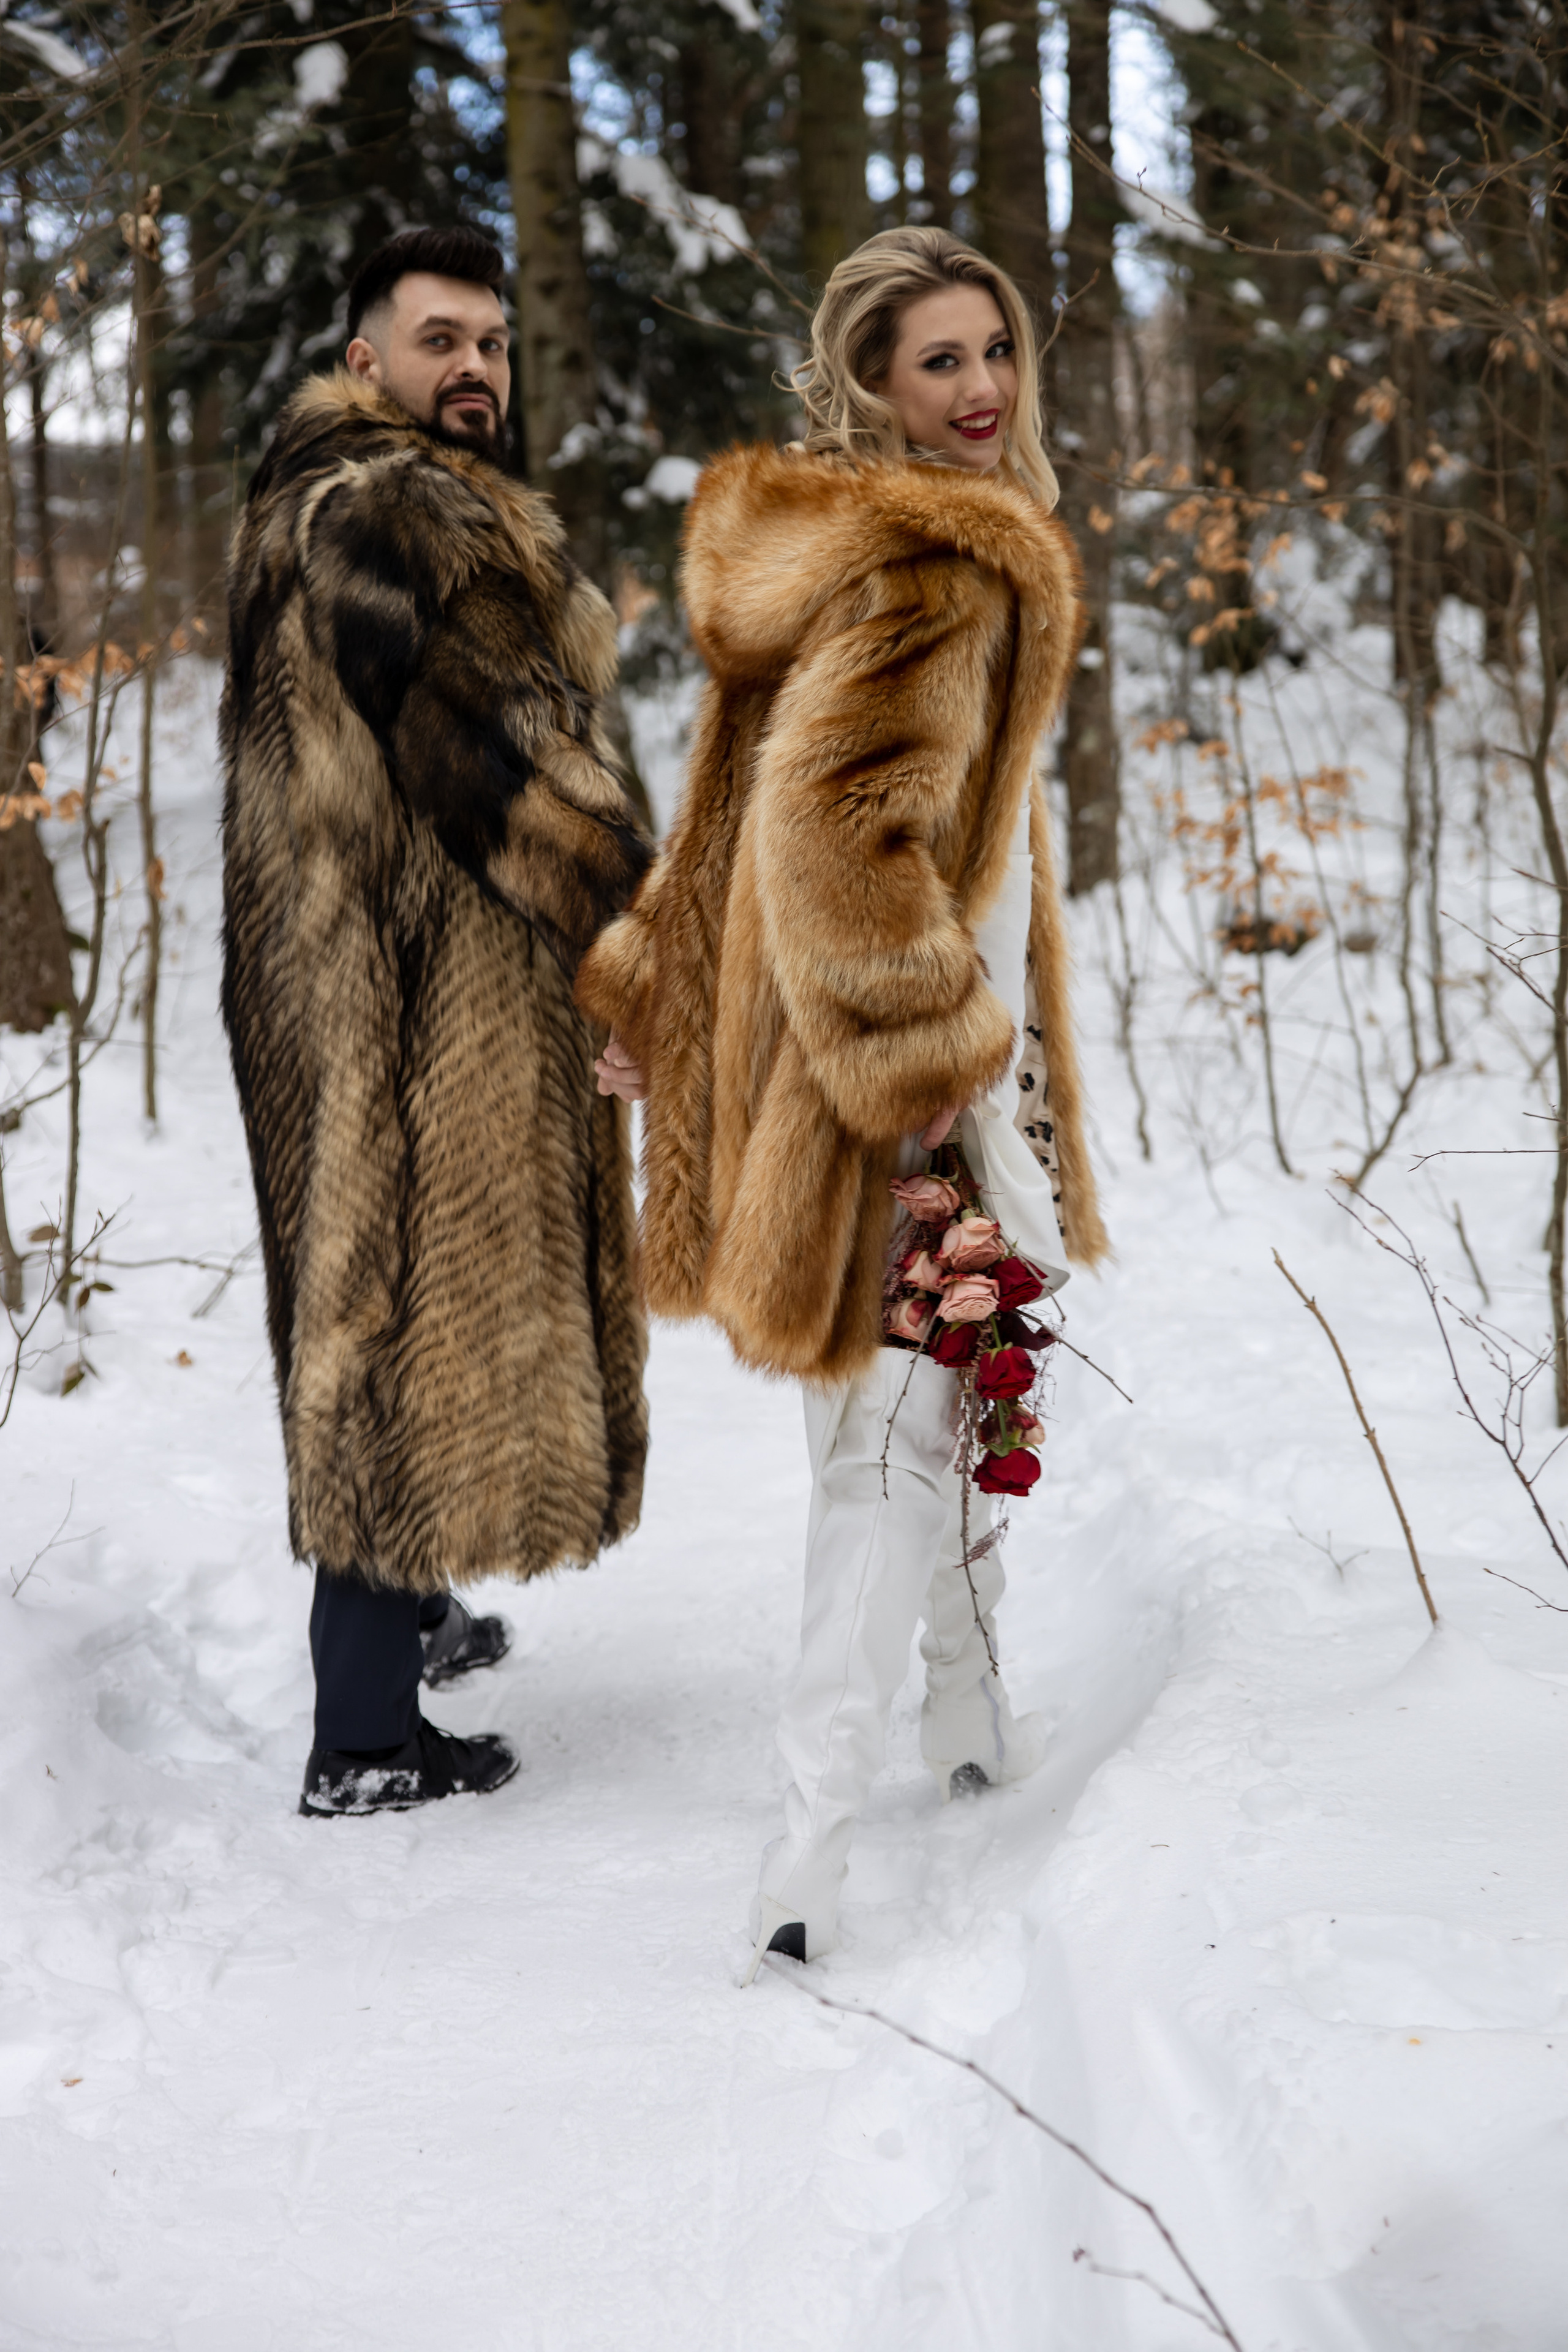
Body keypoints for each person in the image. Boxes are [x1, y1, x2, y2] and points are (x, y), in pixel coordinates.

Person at [579, 225, 1108, 1972]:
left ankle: (968, 1742)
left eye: (992, 352)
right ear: (869, 384)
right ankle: (806, 1860)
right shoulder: (942, 571)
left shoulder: (819, 552)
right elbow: (825, 841)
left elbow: (726, 812)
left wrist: (651, 987)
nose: (978, 391)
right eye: (935, 362)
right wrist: (932, 1068)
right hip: (898, 1086)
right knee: (885, 1463)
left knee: (932, 1421)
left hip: (886, 1069)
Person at [221, 226, 653, 1818]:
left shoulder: (311, 496)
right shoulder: (394, 510)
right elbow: (508, 766)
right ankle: (365, 1741)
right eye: (436, 340)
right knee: (384, 1321)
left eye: (491, 341)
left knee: (368, 1305)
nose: (472, 366)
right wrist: (644, 942)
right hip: (400, 1001)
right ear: (365, 362)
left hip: (332, 979)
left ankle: (408, 1620)